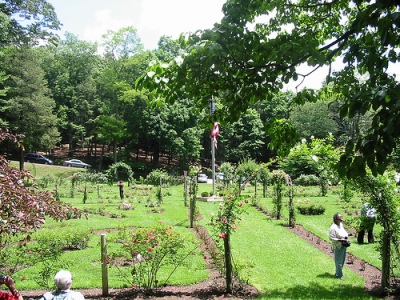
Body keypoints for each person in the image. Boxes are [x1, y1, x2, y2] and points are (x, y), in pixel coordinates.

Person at [329, 213, 349, 280]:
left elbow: (343, 232)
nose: (341, 219)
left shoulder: (341, 225)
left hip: (343, 245)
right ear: (336, 219)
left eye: (341, 217)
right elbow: (331, 237)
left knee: (342, 260)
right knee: (339, 261)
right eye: (340, 218)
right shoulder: (333, 227)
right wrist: (340, 240)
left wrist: (346, 236)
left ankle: (337, 273)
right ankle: (339, 275)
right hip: (338, 246)